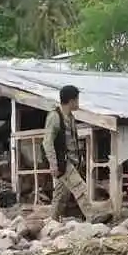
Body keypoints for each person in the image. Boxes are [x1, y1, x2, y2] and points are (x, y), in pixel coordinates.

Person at [44, 85, 98, 221]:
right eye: (77, 99)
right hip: (62, 161)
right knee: (80, 188)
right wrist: (53, 164)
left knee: (60, 195)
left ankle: (53, 221)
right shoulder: (55, 116)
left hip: (71, 161)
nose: (78, 103)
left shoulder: (71, 118)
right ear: (71, 100)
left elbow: (72, 141)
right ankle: (93, 216)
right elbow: (47, 142)